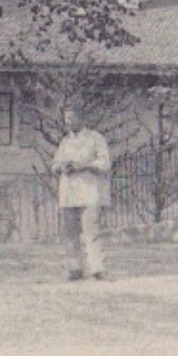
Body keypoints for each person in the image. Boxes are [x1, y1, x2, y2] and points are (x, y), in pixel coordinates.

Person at [50, 104, 111, 281]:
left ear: (81, 117)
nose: (68, 122)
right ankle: (74, 268)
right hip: (69, 191)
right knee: (70, 232)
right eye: (66, 118)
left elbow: (105, 163)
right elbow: (54, 165)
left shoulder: (95, 138)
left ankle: (97, 268)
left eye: (71, 118)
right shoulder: (65, 142)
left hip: (89, 190)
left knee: (91, 230)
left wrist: (84, 165)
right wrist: (61, 166)